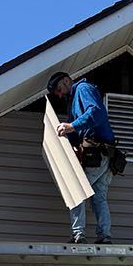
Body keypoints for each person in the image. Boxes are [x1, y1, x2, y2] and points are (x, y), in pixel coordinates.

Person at [46, 71, 117, 244]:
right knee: (98, 197)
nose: (59, 94)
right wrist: (63, 136)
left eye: (59, 89)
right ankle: (104, 236)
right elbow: (77, 132)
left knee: (76, 190)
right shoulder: (73, 102)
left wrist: (71, 126)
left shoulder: (83, 89)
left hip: (97, 154)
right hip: (105, 155)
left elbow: (96, 113)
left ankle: (79, 234)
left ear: (66, 81)